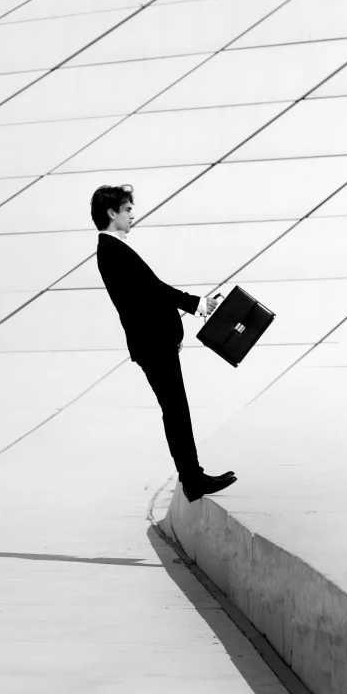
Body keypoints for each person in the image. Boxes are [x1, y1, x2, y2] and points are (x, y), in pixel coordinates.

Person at [90, 184, 237, 503]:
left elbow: (145, 295)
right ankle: (193, 478)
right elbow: (153, 290)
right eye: (127, 209)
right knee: (176, 411)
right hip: (153, 345)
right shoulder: (112, 250)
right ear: (111, 213)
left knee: (175, 410)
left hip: (156, 343)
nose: (132, 215)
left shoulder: (114, 249)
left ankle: (192, 477)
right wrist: (197, 304)